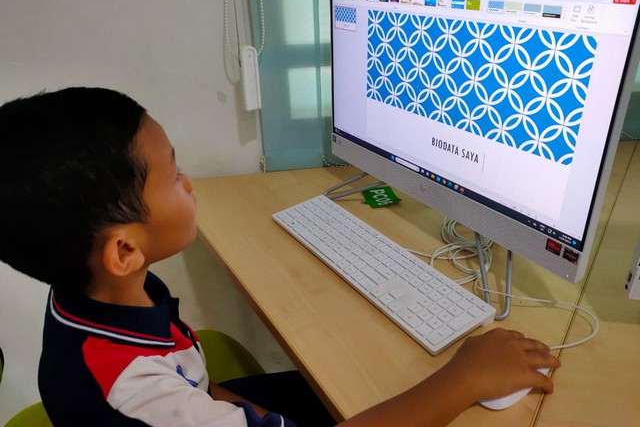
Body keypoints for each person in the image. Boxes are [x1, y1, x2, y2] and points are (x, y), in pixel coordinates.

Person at [0, 87, 560, 427]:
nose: (189, 183)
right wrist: (464, 379)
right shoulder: (135, 390)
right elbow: (173, 402)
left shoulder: (95, 295)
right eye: (173, 175)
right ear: (123, 250)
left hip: (195, 393)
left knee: (365, 384)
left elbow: (192, 389)